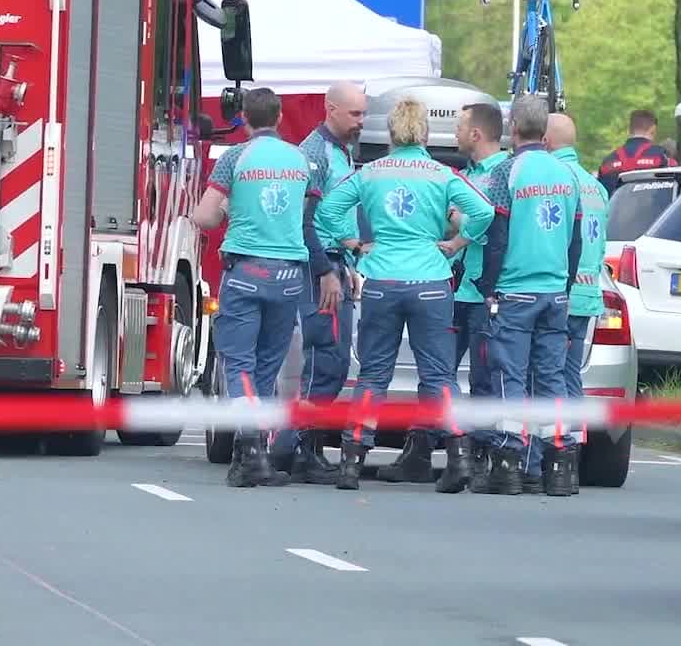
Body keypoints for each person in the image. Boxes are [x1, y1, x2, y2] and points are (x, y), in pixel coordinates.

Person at [316, 97, 495, 493]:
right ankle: (458, 456)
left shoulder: (371, 173)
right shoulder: (442, 174)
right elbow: (484, 211)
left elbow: (326, 210)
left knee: (374, 372)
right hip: (431, 281)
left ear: (392, 134)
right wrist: (458, 243)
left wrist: (353, 244)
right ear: (426, 133)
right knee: (438, 374)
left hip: (381, 279)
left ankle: (351, 458)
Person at [191, 87, 335, 488]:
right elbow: (308, 215)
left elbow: (204, 217)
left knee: (239, 366)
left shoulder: (235, 158)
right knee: (268, 367)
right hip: (289, 275)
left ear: (245, 118)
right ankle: (260, 453)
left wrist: (222, 209)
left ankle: (249, 449)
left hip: (246, 272)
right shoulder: (302, 160)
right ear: (277, 116)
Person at [471, 94, 583, 496]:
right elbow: (574, 241)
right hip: (555, 292)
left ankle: (509, 462)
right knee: (552, 378)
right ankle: (559, 465)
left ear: (513, 127)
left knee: (510, 378)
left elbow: (497, 237)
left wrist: (488, 288)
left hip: (515, 292)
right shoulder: (568, 176)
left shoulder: (507, 173)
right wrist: (565, 285)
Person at [269, 80, 366, 484]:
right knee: (324, 359)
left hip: (337, 265)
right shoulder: (315, 153)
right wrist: (325, 270)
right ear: (331, 109)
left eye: (363, 114)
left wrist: (350, 263)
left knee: (336, 362)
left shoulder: (343, 151)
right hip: (318, 271)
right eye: (355, 114)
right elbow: (303, 222)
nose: (361, 122)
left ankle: (299, 445)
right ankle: (295, 449)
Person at [517, 112, 608, 494]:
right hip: (588, 295)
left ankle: (542, 460)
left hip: (558, 291)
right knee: (568, 377)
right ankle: (569, 461)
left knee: (542, 378)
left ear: (548, 143)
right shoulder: (596, 187)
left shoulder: (557, 181)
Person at [449, 101, 511, 401]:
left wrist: (458, 220)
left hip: (485, 293)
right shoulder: (465, 175)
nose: (454, 136)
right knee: (439, 371)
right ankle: (443, 439)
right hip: (457, 290)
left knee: (483, 378)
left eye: (458, 128)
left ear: (475, 134)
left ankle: (482, 445)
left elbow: (497, 231)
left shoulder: (505, 173)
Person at [596, 108, 678, 195]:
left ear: (630, 130)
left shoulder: (607, 162)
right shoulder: (661, 157)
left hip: (614, 208)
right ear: (653, 129)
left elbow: (600, 196)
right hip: (653, 208)